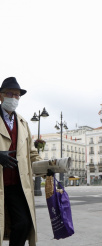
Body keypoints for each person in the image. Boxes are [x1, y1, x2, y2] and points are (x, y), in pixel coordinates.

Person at [0, 77, 42, 246]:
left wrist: (47, 166)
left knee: (23, 223)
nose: (14, 98)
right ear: (1, 96)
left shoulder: (23, 123)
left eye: (17, 95)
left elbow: (32, 153)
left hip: (17, 184)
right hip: (1, 181)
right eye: (10, 93)